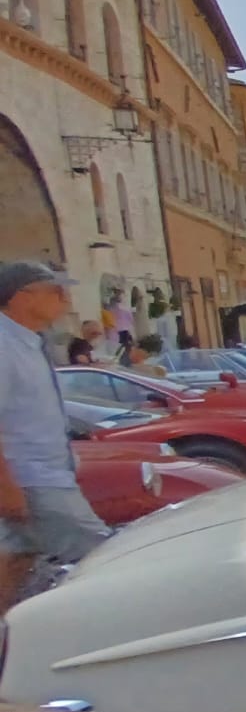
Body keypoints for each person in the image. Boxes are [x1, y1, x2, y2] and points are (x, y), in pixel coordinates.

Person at [0, 262, 112, 613]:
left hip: (43, 476)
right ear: (22, 296)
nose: (64, 298)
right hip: (33, 479)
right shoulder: (5, 346)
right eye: (54, 290)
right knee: (101, 557)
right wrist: (6, 486)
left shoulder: (29, 342)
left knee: (16, 561)